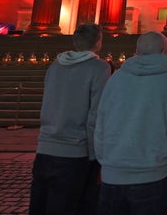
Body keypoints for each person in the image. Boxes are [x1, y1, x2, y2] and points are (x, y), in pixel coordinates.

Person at [95, 31, 167, 215]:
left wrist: (105, 161)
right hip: (153, 173)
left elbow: (101, 123)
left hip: (113, 172)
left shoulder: (117, 78)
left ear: (136, 50)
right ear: (165, 50)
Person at [29, 23, 111, 215]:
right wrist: (95, 153)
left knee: (41, 205)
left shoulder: (55, 66)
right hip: (75, 152)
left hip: (45, 149)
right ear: (98, 42)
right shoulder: (99, 68)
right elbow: (96, 114)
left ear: (74, 41)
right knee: (74, 206)